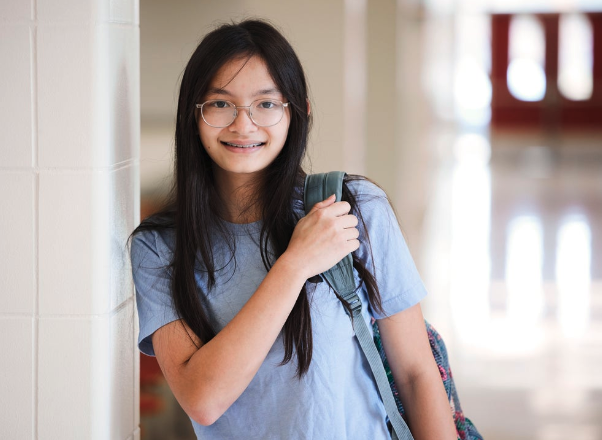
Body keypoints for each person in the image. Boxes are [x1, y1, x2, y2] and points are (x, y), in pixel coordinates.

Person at [130, 19, 458, 440]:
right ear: (192, 115)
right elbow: (203, 399)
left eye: (266, 104)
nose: (243, 125)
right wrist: (294, 265)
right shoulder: (159, 247)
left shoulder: (350, 209)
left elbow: (415, 374)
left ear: (297, 112)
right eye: (220, 103)